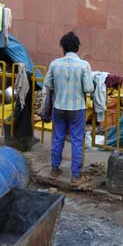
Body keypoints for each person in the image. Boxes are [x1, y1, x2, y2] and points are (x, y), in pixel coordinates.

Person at [44, 31, 94, 186]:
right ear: (77, 48)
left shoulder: (54, 63)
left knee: (58, 138)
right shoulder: (84, 65)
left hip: (59, 107)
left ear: (63, 48)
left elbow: (48, 84)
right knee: (77, 141)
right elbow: (88, 88)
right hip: (76, 108)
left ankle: (54, 170)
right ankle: (75, 176)